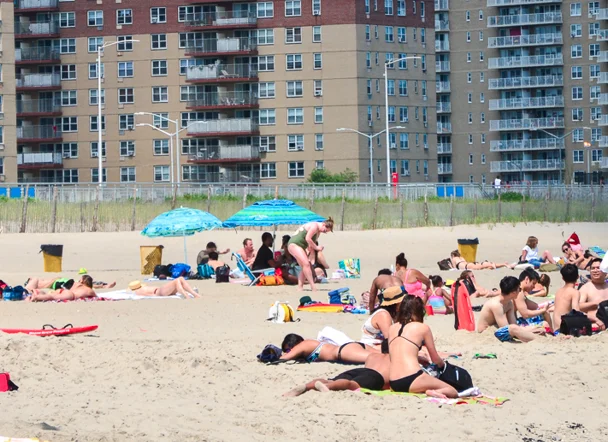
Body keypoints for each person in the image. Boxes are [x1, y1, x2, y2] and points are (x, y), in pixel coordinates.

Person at [387, 295, 458, 398]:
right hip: (412, 378)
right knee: (451, 391)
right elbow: (435, 359)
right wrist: (444, 366)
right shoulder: (423, 328)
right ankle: (430, 392)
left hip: (393, 382)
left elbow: (394, 357)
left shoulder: (391, 328)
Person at [283, 341, 390, 397]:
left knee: (333, 379)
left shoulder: (373, 356)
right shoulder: (394, 359)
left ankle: (307, 386)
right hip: (375, 377)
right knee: (351, 384)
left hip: (359, 371)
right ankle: (328, 387)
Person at [477, 276, 545, 342]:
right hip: (487, 332)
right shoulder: (496, 305)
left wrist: (532, 329)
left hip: (499, 329)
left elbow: (514, 323)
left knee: (537, 327)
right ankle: (536, 340)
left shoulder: (509, 303)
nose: (520, 292)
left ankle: (534, 337)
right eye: (519, 289)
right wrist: (529, 330)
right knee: (514, 328)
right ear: (514, 292)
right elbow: (505, 328)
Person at [287, 218, 334, 292]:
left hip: (300, 246)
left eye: (326, 232)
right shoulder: (314, 226)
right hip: (294, 244)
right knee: (306, 264)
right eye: (325, 230)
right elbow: (308, 238)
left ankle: (300, 287)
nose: (324, 232)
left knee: (305, 266)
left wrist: (312, 249)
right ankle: (313, 286)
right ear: (324, 224)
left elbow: (310, 244)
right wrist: (317, 247)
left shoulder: (318, 232)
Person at [362, 271, 405, 346]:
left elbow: (372, 297)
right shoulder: (384, 315)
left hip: (388, 295)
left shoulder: (378, 279)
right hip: (373, 346)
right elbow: (390, 340)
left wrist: (371, 311)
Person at [279, 333, 376, 364]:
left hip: (343, 352)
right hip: (349, 348)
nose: (289, 352)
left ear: (294, 344)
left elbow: (284, 358)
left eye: (288, 350)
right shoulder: (308, 344)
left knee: (379, 358)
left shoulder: (303, 345)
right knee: (384, 356)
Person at [578, 258, 608, 328]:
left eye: (598, 268)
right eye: (593, 268)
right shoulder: (586, 288)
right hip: (597, 323)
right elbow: (578, 306)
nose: (595, 271)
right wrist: (595, 303)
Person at [552, 264, 581, 331]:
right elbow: (576, 311)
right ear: (578, 277)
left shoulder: (558, 291)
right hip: (564, 328)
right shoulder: (574, 292)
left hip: (556, 328)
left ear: (562, 278)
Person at [27, 275, 97, 302]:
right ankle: (36, 297)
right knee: (51, 297)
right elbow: (96, 297)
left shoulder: (76, 284)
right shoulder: (90, 291)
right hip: (70, 295)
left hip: (64, 291)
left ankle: (37, 294)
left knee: (51, 295)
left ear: (82, 281)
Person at [128, 277, 201, 298]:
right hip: (158, 292)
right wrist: (155, 296)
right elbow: (147, 295)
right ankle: (186, 296)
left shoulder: (142, 288)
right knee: (176, 281)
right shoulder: (138, 291)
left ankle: (194, 294)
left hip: (159, 290)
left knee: (181, 279)